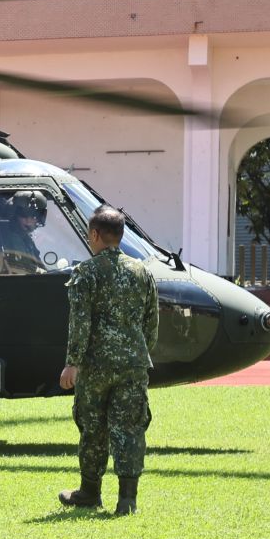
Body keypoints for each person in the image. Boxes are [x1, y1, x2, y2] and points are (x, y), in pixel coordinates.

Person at [59, 205, 159, 517]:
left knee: (93, 427)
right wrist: (137, 352)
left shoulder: (86, 273)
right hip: (133, 365)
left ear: (95, 234)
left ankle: (90, 492)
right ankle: (127, 500)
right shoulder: (141, 272)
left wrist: (72, 362)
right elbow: (151, 322)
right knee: (130, 427)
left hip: (95, 367)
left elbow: (81, 322)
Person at [0, 191, 50, 275]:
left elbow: (39, 265)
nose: (29, 220)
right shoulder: (11, 238)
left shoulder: (26, 238)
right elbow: (26, 269)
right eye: (24, 215)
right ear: (14, 216)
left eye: (34, 216)